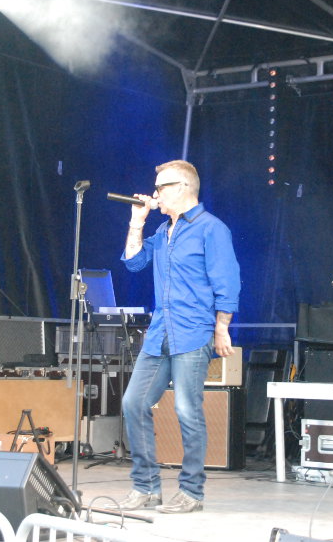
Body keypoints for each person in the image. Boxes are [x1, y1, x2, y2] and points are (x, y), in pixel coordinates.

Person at [117, 160, 240, 514]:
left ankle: (191, 492)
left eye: (161, 187)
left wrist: (221, 327)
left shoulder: (211, 229)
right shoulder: (162, 232)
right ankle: (146, 488)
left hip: (193, 332)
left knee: (187, 409)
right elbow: (134, 263)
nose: (155, 194)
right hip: (160, 333)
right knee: (133, 403)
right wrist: (136, 222)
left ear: (184, 188)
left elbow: (227, 281)